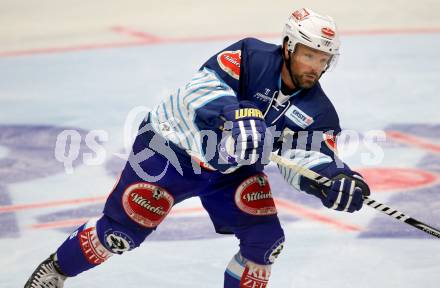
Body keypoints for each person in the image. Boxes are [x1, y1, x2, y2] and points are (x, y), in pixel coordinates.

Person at [25, 8, 370, 288]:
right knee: (120, 235)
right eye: (309, 55)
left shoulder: (318, 111)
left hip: (230, 172)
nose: (316, 66)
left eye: (324, 59)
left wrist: (332, 179)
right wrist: (235, 113)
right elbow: (201, 87)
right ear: (288, 46)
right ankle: (55, 271)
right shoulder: (249, 55)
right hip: (169, 152)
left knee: (265, 241)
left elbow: (307, 156)